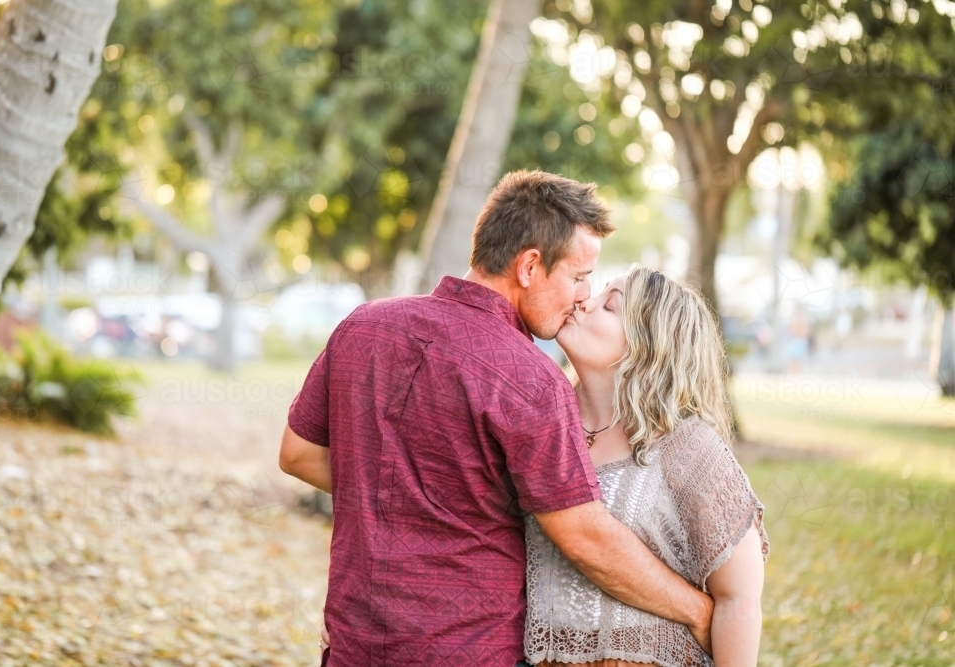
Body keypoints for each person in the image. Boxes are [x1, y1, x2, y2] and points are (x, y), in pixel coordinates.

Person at [279, 171, 714, 666]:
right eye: (577, 276)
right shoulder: (532, 379)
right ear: (529, 266)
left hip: (352, 648)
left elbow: (298, 454)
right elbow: (585, 537)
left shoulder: (362, 326)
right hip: (469, 651)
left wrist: (409, 495)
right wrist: (697, 610)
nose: (582, 295)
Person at [524, 267, 770, 667]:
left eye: (610, 305)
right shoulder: (542, 425)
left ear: (647, 345)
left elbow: (738, 598)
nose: (583, 300)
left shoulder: (685, 446)